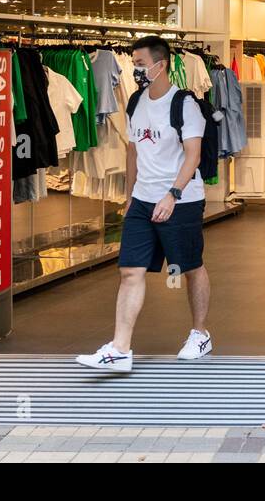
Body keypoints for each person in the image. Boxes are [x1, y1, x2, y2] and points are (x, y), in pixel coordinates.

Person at [76, 36, 212, 372]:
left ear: (160, 65)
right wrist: (130, 194)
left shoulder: (185, 105)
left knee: (189, 268)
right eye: (133, 64)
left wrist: (173, 195)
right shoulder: (135, 102)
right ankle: (120, 348)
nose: (135, 70)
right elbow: (133, 150)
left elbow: (193, 156)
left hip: (181, 200)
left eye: (138, 64)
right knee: (130, 271)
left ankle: (200, 333)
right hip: (142, 200)